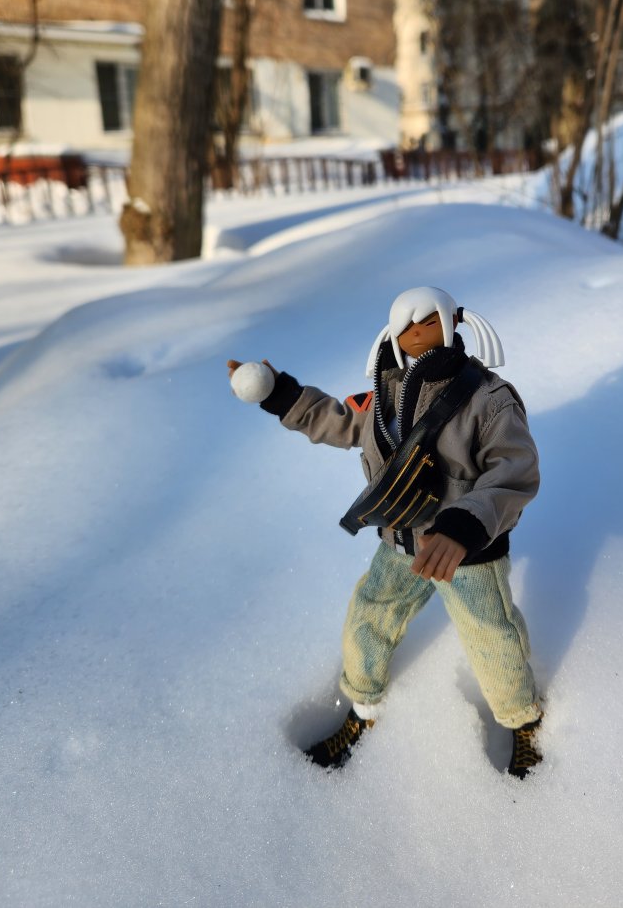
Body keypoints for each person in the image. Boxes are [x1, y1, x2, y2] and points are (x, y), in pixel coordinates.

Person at [227, 286, 543, 778]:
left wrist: (463, 526)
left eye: (428, 322)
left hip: (466, 551)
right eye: (406, 325)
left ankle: (523, 721)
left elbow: (514, 471)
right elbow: (337, 420)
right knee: (369, 616)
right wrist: (280, 393)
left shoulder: (488, 399)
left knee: (491, 636)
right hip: (400, 542)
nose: (415, 332)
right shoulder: (387, 393)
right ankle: (362, 705)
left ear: (452, 322)